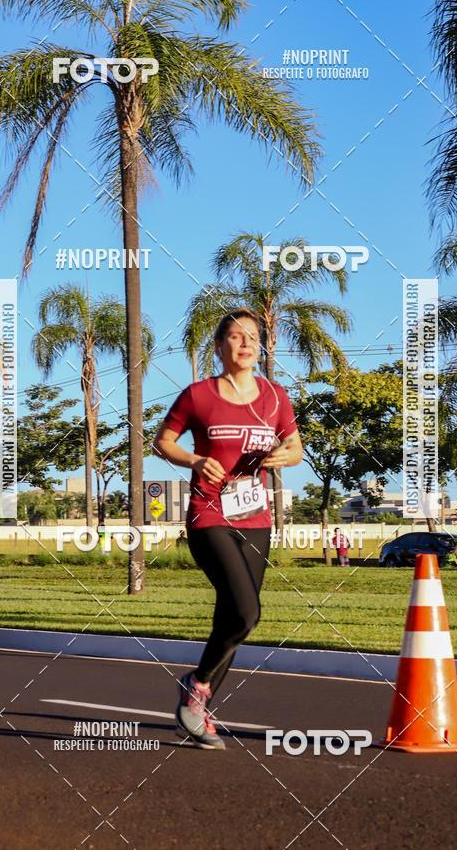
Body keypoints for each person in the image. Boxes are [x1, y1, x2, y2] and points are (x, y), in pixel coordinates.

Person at [153, 308, 303, 750]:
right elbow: (163, 441)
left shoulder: (276, 396)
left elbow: (294, 446)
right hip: (209, 514)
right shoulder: (198, 395)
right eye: (236, 337)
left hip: (255, 518)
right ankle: (198, 686)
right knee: (246, 611)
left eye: (253, 338)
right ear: (219, 347)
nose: (245, 344)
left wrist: (285, 457)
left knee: (234, 615)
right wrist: (195, 460)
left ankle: (198, 706)